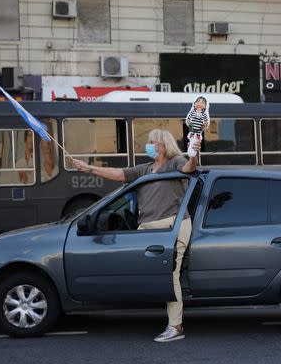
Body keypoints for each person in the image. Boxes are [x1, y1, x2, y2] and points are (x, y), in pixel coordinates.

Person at [71, 129, 200, 343]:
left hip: (171, 228)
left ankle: (175, 326)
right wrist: (89, 168)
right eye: (148, 141)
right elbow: (119, 174)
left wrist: (193, 155)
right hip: (147, 231)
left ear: (163, 144)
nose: (148, 145)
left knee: (171, 275)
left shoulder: (174, 162)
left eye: (152, 142)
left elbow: (188, 169)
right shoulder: (145, 169)